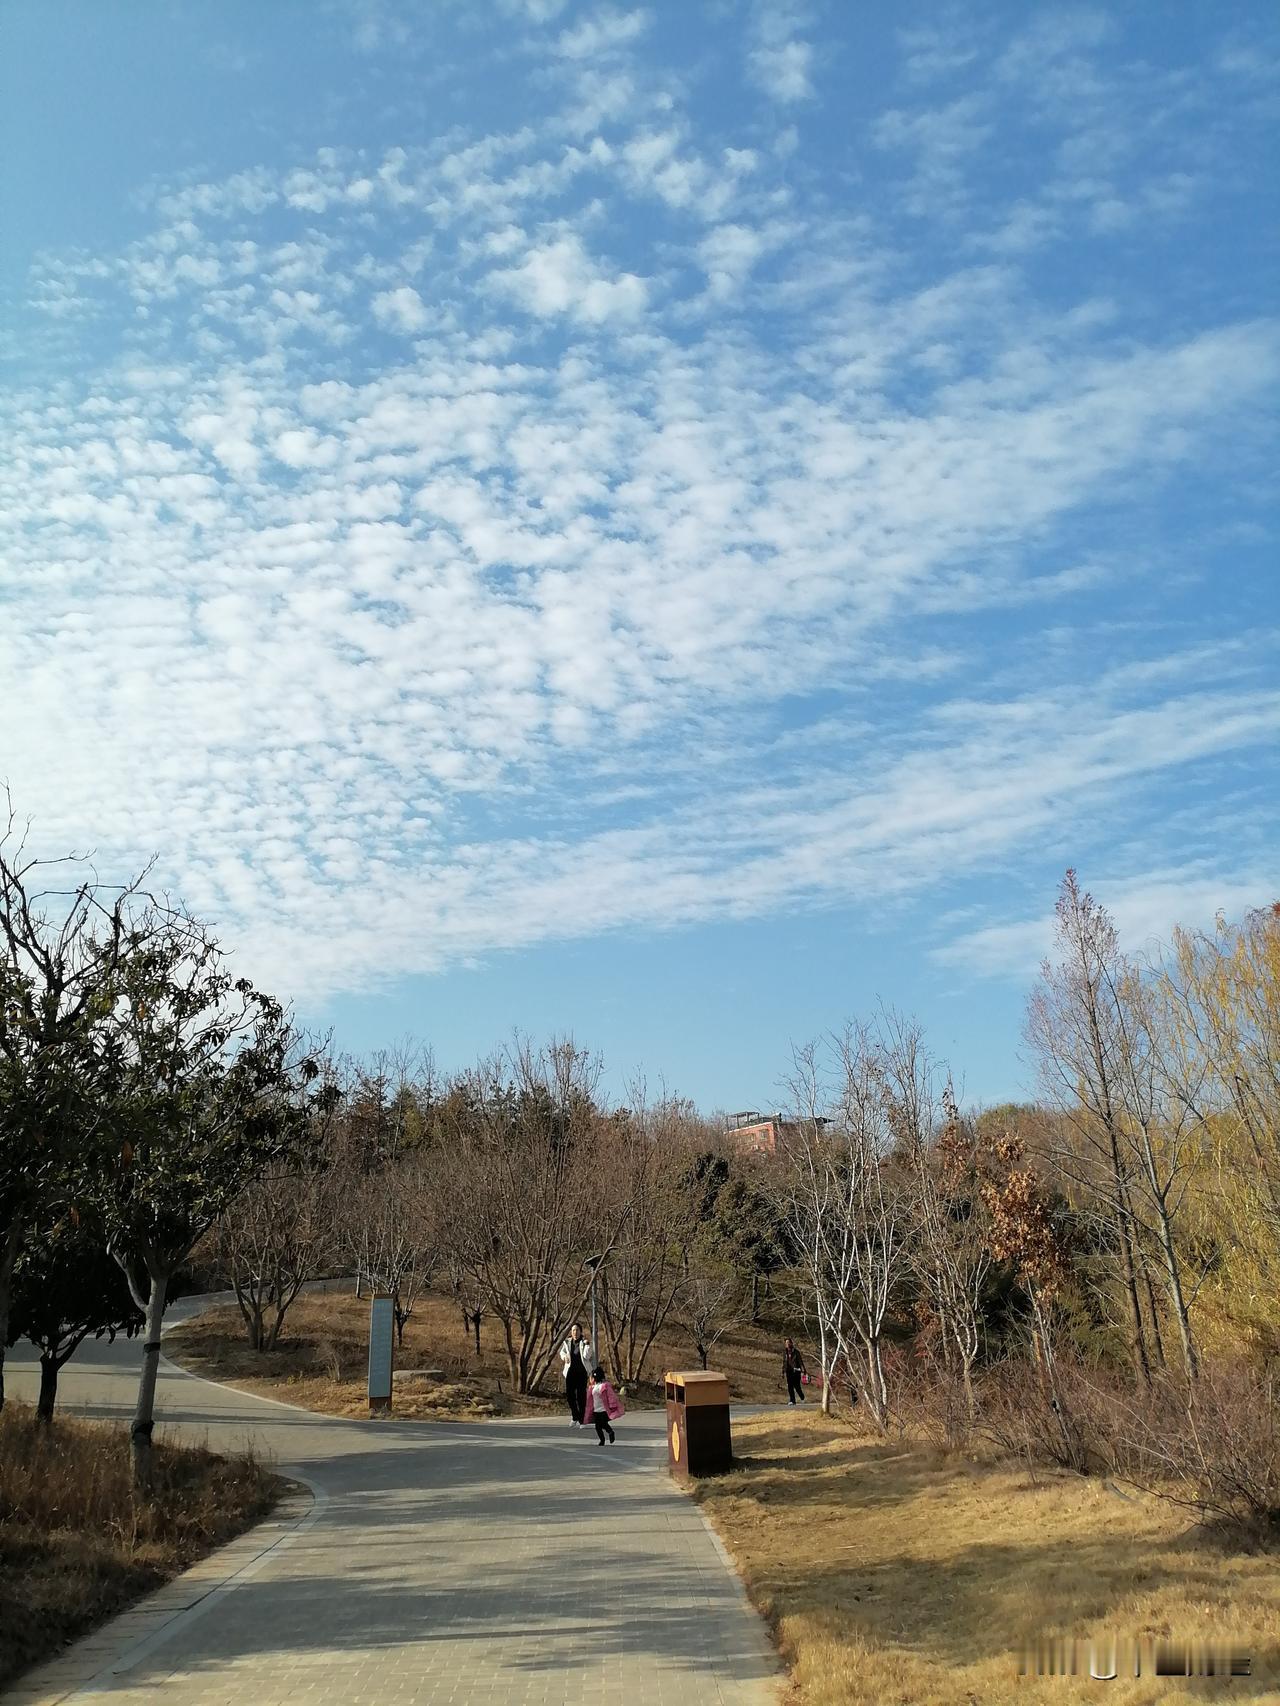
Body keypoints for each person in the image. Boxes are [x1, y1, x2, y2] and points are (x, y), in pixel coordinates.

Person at [560, 1322, 593, 1427]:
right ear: (571, 1332)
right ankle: (575, 1416)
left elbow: (587, 1356)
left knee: (581, 1397)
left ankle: (582, 1420)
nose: (575, 1332)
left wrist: (587, 1345)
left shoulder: (584, 1342)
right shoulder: (567, 1342)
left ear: (580, 1331)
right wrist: (564, 1357)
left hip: (582, 1372)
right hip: (570, 1372)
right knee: (570, 1396)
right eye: (573, 1330)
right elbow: (562, 1352)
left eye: (577, 1330)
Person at [585, 1364, 624, 1445]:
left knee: (603, 1423)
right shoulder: (592, 1387)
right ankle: (602, 1440)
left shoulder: (604, 1386)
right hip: (596, 1410)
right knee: (597, 1426)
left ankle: (610, 1432)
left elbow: (611, 1396)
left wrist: (612, 1405)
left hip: (603, 1409)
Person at [783, 1337, 807, 1404]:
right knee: (790, 1386)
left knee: (797, 1386)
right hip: (788, 1371)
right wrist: (783, 1371)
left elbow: (800, 1361)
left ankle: (802, 1397)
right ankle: (792, 1400)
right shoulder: (785, 1352)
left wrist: (803, 1370)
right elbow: (784, 1362)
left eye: (788, 1342)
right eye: (786, 1343)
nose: (787, 1344)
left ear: (791, 1343)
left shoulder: (796, 1352)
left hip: (796, 1371)